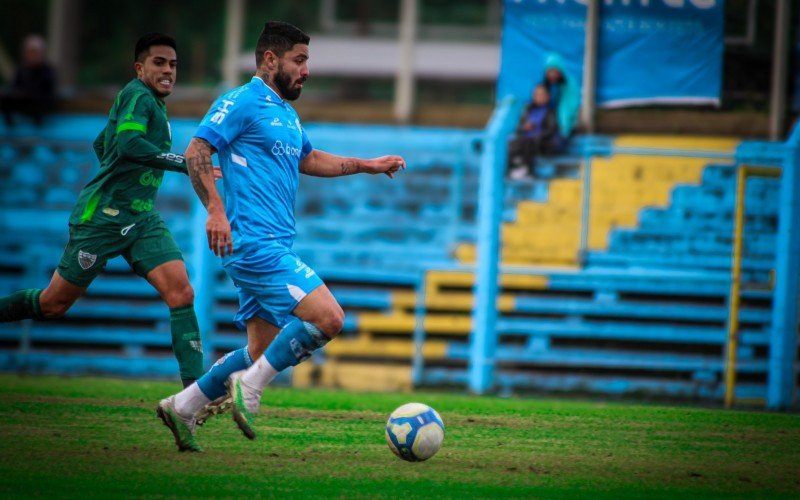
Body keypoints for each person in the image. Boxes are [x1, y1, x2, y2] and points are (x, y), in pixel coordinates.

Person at [156, 21, 406, 452]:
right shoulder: (241, 101)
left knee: (261, 349)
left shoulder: (285, 113)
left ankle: (183, 405)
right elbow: (198, 150)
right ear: (270, 60)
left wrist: (366, 164)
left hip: (272, 243)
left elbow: (309, 159)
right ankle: (248, 390)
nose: (307, 70)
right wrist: (215, 210)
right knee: (329, 318)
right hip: (253, 242)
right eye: (300, 60)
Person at [0, 33, 207, 388]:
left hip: (140, 218)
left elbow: (105, 142)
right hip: (103, 219)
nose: (168, 70)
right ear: (139, 68)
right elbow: (126, 143)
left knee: (182, 293)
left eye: (173, 64)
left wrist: (119, 173)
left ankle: (192, 397)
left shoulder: (152, 102)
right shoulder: (138, 95)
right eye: (159, 63)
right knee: (53, 305)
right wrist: (183, 163)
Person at [0, 34, 57, 127]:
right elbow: (14, 87)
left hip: (39, 104)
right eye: (29, 52)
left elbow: (47, 92)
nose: (31, 55)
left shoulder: (48, 71)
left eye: (35, 52)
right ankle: (10, 125)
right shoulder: (21, 69)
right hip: (23, 101)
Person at [507, 84, 558, 180]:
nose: (539, 97)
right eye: (537, 95)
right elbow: (519, 128)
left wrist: (538, 135)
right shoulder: (528, 110)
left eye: (542, 94)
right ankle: (512, 169)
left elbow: (551, 130)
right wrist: (525, 128)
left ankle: (527, 170)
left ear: (548, 97)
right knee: (511, 143)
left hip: (542, 142)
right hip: (525, 139)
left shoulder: (551, 112)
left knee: (528, 142)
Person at [540, 52, 581, 153]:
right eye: (550, 71)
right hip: (547, 126)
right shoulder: (545, 86)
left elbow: (570, 109)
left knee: (552, 145)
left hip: (562, 127)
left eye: (555, 70)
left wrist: (564, 129)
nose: (552, 74)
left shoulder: (569, 85)